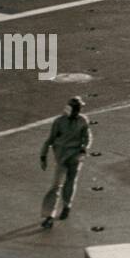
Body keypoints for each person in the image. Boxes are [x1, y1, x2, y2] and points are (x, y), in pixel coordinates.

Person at [39, 96, 91, 229]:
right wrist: (43, 155)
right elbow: (50, 139)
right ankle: (49, 215)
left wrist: (84, 148)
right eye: (77, 108)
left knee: (70, 182)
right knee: (56, 185)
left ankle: (67, 205)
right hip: (61, 158)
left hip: (75, 158)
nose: (79, 110)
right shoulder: (59, 122)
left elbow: (87, 136)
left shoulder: (82, 120)